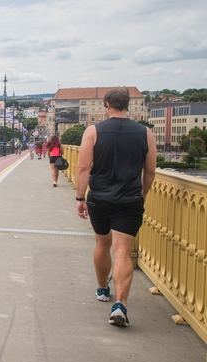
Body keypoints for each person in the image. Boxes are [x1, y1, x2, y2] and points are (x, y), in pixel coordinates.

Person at [75, 88, 156, 327]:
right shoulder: (146, 133)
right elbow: (150, 171)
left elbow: (83, 168)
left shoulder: (93, 131)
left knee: (102, 243)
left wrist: (81, 198)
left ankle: (102, 290)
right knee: (122, 249)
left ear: (106, 104)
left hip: (99, 198)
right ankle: (120, 304)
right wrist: (141, 195)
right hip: (130, 200)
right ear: (128, 105)